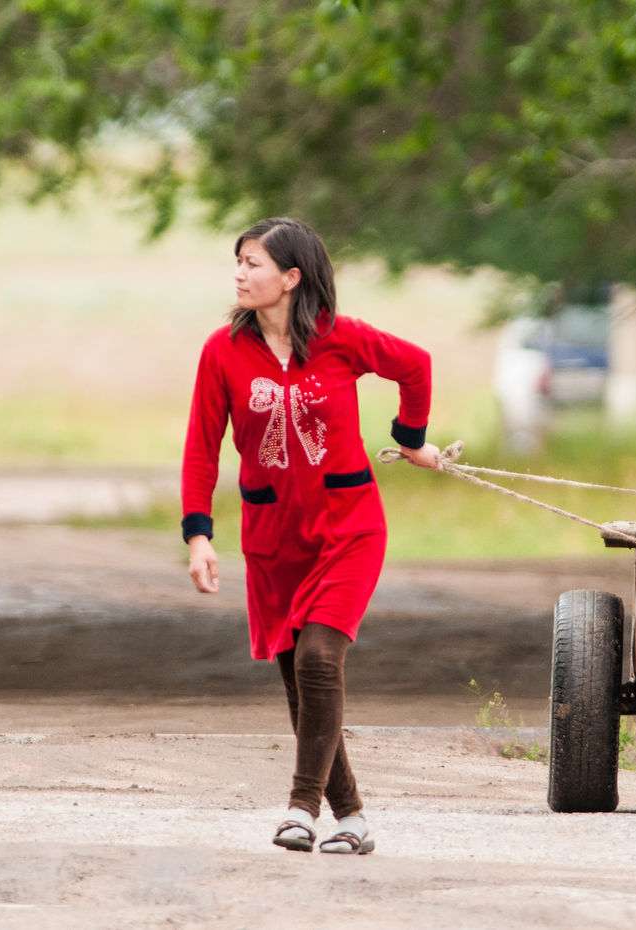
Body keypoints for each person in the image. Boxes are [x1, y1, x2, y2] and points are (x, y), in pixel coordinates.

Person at [181, 217, 440, 855]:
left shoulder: (341, 339)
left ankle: (300, 808)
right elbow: (201, 448)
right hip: (272, 535)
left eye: (253, 263)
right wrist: (198, 534)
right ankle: (350, 817)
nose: (240, 274)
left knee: (320, 658)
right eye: (237, 263)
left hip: (349, 526)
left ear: (291, 278)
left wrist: (410, 440)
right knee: (299, 678)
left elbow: (415, 366)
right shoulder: (222, 352)